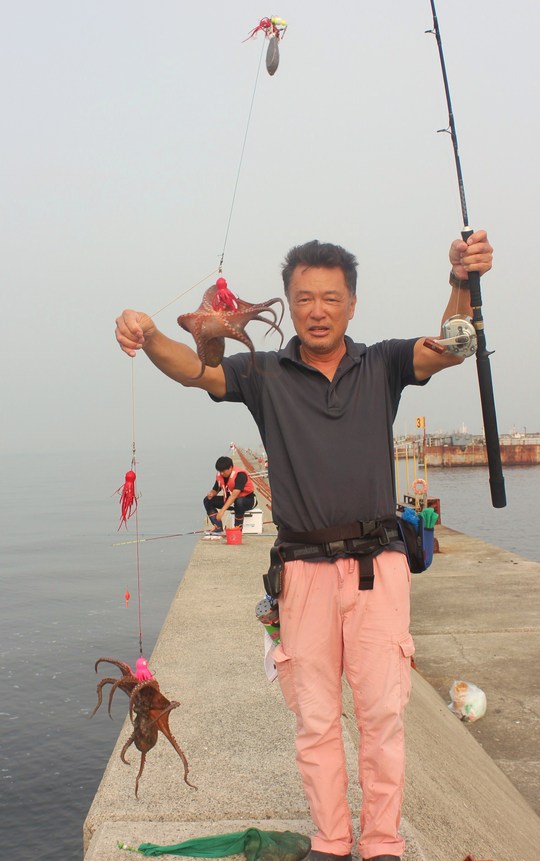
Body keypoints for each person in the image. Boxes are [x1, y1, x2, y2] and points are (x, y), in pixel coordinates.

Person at [115, 230, 493, 861]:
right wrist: (149, 334)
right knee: (315, 720)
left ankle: (383, 843)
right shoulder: (261, 372)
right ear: (289, 304)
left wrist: (461, 280)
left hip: (378, 569)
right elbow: (194, 370)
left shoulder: (384, 363)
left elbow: (451, 346)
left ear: (352, 304)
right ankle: (330, 841)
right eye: (305, 298)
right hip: (303, 573)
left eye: (331, 298)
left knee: (382, 718)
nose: (318, 310)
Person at [203, 455, 256, 533]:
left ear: (230, 468)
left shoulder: (240, 475)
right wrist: (211, 493)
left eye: (223, 471)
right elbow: (215, 489)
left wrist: (222, 511)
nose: (222, 473)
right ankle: (217, 526)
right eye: (220, 471)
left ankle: (238, 529)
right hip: (233, 502)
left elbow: (234, 495)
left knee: (239, 501)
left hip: (247, 500)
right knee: (207, 500)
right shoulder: (221, 476)